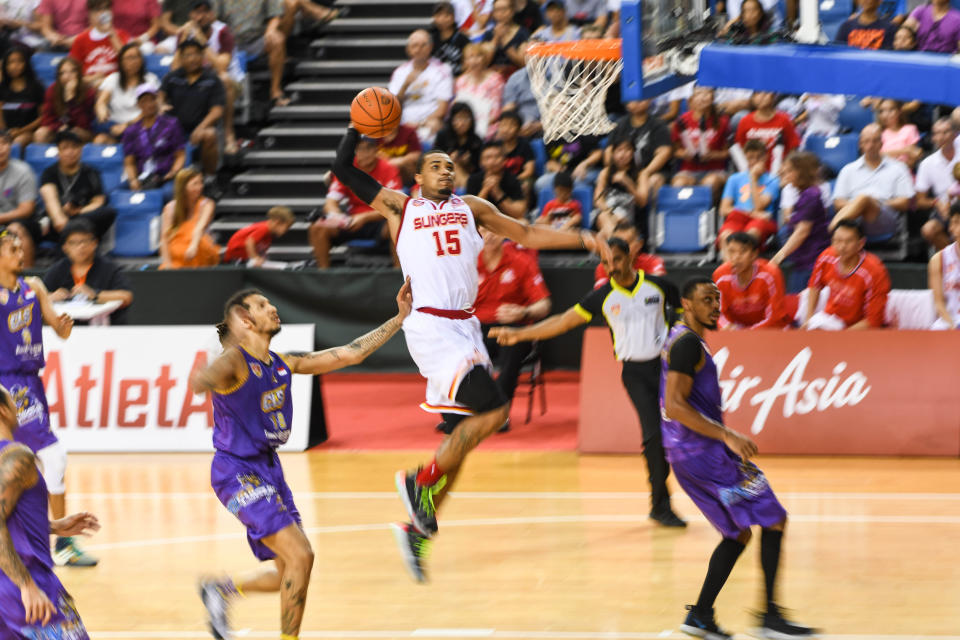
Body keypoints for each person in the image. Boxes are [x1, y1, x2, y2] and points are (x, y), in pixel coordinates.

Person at [330, 126, 608, 582]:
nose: (446, 171)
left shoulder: (472, 208)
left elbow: (527, 233)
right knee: (495, 412)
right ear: (417, 175)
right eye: (436, 165)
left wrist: (584, 238)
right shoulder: (400, 206)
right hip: (431, 324)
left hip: (466, 326)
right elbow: (343, 168)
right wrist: (356, 127)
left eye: (451, 167)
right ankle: (416, 482)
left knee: (466, 436)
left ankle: (417, 528)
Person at [193, 279, 413, 640]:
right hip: (237, 470)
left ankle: (220, 590)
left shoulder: (284, 363)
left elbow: (351, 353)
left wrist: (399, 318)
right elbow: (208, 378)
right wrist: (204, 376)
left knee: (289, 571)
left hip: (269, 469)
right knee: (302, 556)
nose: (273, 308)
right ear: (245, 320)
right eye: (263, 305)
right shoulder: (235, 361)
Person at [490, 237, 686, 528]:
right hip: (635, 373)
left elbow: (684, 319)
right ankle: (660, 505)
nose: (611, 267)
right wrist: (520, 335)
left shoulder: (660, 286)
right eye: (605, 262)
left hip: (667, 369)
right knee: (653, 436)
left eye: (617, 260)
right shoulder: (603, 296)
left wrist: (681, 342)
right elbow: (562, 321)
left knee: (687, 433)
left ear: (631, 256)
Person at [662, 276, 815, 640]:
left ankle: (700, 615)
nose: (715, 306)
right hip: (703, 454)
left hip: (685, 454)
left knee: (737, 532)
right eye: (705, 299)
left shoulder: (682, 339)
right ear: (686, 304)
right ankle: (770, 618)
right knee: (774, 518)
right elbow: (674, 405)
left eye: (717, 299)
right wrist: (727, 435)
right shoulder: (686, 345)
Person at [0, 228, 100, 569]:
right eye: (11, 248)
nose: (20, 251)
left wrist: (64, 326)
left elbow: (57, 327)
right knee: (51, 457)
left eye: (19, 246)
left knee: (37, 459)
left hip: (30, 383)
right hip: (6, 384)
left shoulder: (35, 286)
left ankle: (50, 540)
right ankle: (62, 543)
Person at [0, 384, 100, 638]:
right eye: (12, 400)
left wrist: (51, 526)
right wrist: (26, 585)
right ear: (3, 411)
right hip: (28, 588)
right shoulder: (16, 456)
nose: (18, 405)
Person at [474, 226, 551, 430]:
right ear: (477, 233)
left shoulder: (521, 261)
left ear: (504, 233)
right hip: (477, 328)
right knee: (454, 348)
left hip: (514, 328)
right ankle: (455, 413)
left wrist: (523, 312)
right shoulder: (467, 262)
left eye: (495, 230)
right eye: (484, 231)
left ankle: (499, 413)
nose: (490, 235)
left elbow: (544, 304)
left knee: (512, 348)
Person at [310, 137, 402, 268]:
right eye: (359, 148)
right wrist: (338, 217)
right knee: (317, 227)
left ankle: (399, 276)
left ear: (376, 149)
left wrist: (364, 217)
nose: (364, 153)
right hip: (352, 221)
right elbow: (330, 203)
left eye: (368, 148)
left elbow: (395, 205)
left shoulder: (388, 168)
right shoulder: (346, 169)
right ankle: (324, 276)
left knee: (397, 224)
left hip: (379, 220)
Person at [178, 0, 244, 154]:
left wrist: (202, 42)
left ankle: (229, 134)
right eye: (197, 12)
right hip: (198, 82)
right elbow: (174, 68)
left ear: (212, 14)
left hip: (229, 83)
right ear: (191, 15)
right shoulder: (185, 33)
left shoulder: (223, 32)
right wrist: (183, 40)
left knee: (223, 79)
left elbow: (221, 66)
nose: (202, 16)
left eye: (205, 11)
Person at [42, 217, 133, 324]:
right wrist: (51, 297)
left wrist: (95, 294)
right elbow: (36, 299)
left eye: (85, 241)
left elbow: (126, 296)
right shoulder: (58, 269)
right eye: (74, 243)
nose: (81, 247)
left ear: (94, 243)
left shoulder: (108, 267)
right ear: (65, 247)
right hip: (67, 329)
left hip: (105, 330)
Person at [830, 123, 914, 236]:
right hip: (854, 219)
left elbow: (904, 203)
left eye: (875, 141)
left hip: (885, 218)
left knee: (864, 198)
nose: (871, 145)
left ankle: (830, 230)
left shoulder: (898, 167)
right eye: (867, 141)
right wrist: (859, 206)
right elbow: (838, 203)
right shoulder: (848, 170)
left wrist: (876, 202)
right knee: (863, 199)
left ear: (881, 143)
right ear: (860, 144)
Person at [804, 220, 891, 330]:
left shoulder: (875, 271)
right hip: (829, 321)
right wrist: (809, 318)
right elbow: (814, 286)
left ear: (860, 244)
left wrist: (842, 337)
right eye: (838, 241)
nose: (842, 246)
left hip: (859, 330)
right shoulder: (826, 257)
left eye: (848, 241)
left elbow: (873, 321)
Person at [38, 130, 117, 249]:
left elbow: (98, 201)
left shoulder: (91, 172)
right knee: (38, 223)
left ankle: (74, 241)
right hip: (58, 220)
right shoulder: (49, 173)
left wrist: (79, 211)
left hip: (84, 218)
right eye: (65, 148)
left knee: (108, 212)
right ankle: (75, 243)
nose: (70, 152)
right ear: (58, 152)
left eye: (74, 147)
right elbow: (51, 202)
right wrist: (61, 214)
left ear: (80, 150)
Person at [159, 38, 225, 181]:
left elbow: (217, 111)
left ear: (202, 57)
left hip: (200, 128)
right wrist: (161, 105)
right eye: (188, 55)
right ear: (181, 58)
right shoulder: (171, 78)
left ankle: (210, 179)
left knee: (210, 134)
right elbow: (160, 97)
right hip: (175, 130)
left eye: (196, 54)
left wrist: (201, 127)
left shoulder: (212, 80)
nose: (192, 58)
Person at [771, 151, 831, 293]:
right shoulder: (805, 194)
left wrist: (776, 259)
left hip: (813, 262)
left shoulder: (811, 195)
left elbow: (801, 232)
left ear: (800, 172)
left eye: (789, 170)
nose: (783, 172)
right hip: (803, 262)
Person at [215, 0, 292, 107]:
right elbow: (213, 17)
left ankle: (275, 92)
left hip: (257, 38)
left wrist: (271, 30)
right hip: (230, 40)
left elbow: (276, 14)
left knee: (277, 39)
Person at [389, 29, 454, 146]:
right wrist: (405, 86)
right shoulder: (400, 72)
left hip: (429, 122)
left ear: (430, 47)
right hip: (404, 123)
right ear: (408, 50)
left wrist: (419, 124)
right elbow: (393, 106)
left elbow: (442, 109)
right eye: (415, 46)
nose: (419, 49)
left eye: (423, 45)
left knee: (433, 128)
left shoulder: (442, 70)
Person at [713, 232, 790, 329]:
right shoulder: (720, 275)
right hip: (736, 333)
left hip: (771, 332)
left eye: (743, 251)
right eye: (731, 251)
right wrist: (728, 327)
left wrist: (748, 333)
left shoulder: (771, 274)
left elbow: (775, 316)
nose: (736, 257)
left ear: (754, 254)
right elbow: (720, 313)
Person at [121, 83, 186, 193]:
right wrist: (133, 180)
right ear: (138, 105)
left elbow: (180, 155)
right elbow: (129, 162)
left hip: (165, 176)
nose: (149, 104)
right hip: (142, 177)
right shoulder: (131, 131)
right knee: (120, 194)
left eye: (152, 99)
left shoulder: (171, 124)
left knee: (169, 193)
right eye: (144, 101)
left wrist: (173, 172)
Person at [607, 99, 673, 203]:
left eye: (642, 99)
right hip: (625, 169)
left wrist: (646, 172)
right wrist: (614, 169)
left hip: (652, 171)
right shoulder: (620, 124)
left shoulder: (658, 124)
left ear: (649, 100)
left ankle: (651, 216)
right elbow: (609, 150)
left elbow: (664, 152)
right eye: (634, 100)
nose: (638, 102)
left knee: (653, 181)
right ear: (627, 103)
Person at [718, 138, 780, 248]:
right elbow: (724, 209)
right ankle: (729, 265)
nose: (754, 161)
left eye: (759, 157)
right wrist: (750, 213)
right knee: (725, 237)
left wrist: (753, 177)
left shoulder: (773, 180)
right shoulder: (734, 179)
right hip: (738, 217)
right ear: (745, 158)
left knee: (750, 236)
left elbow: (759, 206)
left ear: (765, 157)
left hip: (761, 220)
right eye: (751, 158)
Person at [670, 86, 730, 199]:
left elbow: (728, 152)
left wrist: (713, 155)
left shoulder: (722, 121)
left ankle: (707, 215)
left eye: (706, 93)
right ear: (691, 99)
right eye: (698, 94)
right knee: (679, 184)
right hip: (688, 170)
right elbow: (675, 150)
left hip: (715, 170)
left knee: (709, 184)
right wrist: (684, 154)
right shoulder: (682, 120)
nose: (702, 97)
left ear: (713, 98)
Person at [94, 43, 160, 143]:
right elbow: (101, 101)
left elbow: (152, 108)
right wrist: (101, 110)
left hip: (139, 123)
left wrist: (126, 126)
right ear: (121, 62)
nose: (133, 61)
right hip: (114, 124)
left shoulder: (150, 79)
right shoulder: (113, 78)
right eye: (129, 58)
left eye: (136, 57)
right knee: (99, 135)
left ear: (141, 60)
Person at [159, 167, 219, 269]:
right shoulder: (170, 208)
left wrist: (193, 245)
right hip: (176, 256)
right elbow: (164, 239)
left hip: (199, 251)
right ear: (183, 187)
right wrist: (167, 263)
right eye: (195, 184)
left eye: (201, 182)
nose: (200, 187)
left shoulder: (207, 204)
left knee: (202, 243)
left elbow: (200, 228)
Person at [35, 57, 96, 144]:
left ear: (79, 73)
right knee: (40, 133)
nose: (68, 76)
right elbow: (46, 120)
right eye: (63, 73)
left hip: (82, 131)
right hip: (58, 128)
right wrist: (58, 127)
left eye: (73, 71)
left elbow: (84, 124)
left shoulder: (88, 91)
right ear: (58, 76)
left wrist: (71, 99)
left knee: (76, 131)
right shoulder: (52, 90)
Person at [918, 118, 958, 251]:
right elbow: (920, 200)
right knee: (929, 229)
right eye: (937, 133)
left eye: (945, 132)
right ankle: (954, 259)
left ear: (954, 134)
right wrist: (936, 203)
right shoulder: (927, 163)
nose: (941, 137)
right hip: (944, 209)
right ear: (933, 137)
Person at [593, 138, 647, 236]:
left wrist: (628, 183)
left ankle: (607, 246)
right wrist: (612, 212)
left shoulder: (641, 174)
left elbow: (642, 202)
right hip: (607, 211)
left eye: (627, 150)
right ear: (613, 153)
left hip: (629, 216)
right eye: (619, 150)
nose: (622, 154)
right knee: (603, 217)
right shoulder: (606, 172)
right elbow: (598, 199)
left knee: (605, 227)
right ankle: (615, 246)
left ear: (633, 153)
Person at [68, 0, 130, 85]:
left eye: (106, 9)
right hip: (90, 86)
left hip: (116, 85)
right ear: (90, 15)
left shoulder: (121, 35)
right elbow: (71, 73)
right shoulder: (80, 40)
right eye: (97, 10)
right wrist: (93, 78)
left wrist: (111, 33)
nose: (102, 13)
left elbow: (128, 62)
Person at [735, 91, 800, 171]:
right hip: (751, 171)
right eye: (757, 93)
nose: (761, 97)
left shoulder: (785, 120)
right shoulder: (744, 121)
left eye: (766, 93)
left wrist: (785, 168)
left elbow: (793, 148)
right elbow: (741, 149)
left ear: (773, 96)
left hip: (778, 171)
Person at [0, 130, 37, 268]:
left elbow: (26, 209)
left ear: (10, 146)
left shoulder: (23, 170)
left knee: (14, 230)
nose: (0, 148)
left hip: (22, 221)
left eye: (4, 143)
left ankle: (25, 281)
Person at [592, 220, 665, 288]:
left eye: (626, 243)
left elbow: (659, 284)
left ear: (639, 244)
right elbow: (602, 294)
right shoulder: (603, 267)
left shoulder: (653, 262)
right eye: (617, 243)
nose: (620, 248)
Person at [455, 43, 504, 139]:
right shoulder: (461, 81)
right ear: (465, 62)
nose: (474, 61)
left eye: (478, 56)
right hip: (465, 125)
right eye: (470, 57)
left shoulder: (495, 79)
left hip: (489, 124)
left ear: (484, 59)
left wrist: (478, 125)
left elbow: (496, 112)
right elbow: (458, 109)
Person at [466, 141, 527, 219]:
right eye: (488, 157)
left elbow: (519, 213)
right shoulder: (473, 179)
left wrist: (497, 193)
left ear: (505, 160)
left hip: (506, 220)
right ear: (481, 162)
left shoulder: (512, 179)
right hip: (481, 220)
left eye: (497, 157)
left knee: (523, 221)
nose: (493, 161)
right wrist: (486, 189)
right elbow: (470, 212)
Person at [0, 47, 46, 147]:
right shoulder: (2, 88)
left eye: (19, 61)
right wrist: (5, 133)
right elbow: (0, 115)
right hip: (7, 132)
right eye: (10, 62)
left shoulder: (36, 86)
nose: (14, 66)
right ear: (5, 66)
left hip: (29, 131)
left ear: (26, 63)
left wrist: (21, 131)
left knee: (17, 142)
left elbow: (42, 117)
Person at [433, 102, 484, 189]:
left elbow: (479, 169)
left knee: (457, 167)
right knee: (454, 164)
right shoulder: (443, 136)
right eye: (458, 119)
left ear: (471, 121)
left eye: (466, 119)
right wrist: (447, 160)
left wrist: (467, 164)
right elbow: (433, 158)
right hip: (442, 174)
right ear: (451, 120)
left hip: (468, 176)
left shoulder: (476, 141)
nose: (461, 123)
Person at [224, 206, 295, 266]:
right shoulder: (263, 228)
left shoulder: (269, 234)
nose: (286, 231)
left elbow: (261, 250)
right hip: (236, 258)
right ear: (277, 222)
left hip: (244, 258)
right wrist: (255, 258)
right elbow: (249, 242)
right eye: (287, 227)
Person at [928, 206, 960, 329]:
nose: (952, 227)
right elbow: (939, 303)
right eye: (952, 222)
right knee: (937, 329)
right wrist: (952, 326)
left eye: (957, 222)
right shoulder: (938, 260)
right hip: (948, 321)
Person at [877, 98, 921, 170]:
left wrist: (886, 154)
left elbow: (912, 161)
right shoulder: (878, 132)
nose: (885, 114)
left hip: (904, 174)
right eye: (882, 111)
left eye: (891, 110)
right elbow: (876, 156)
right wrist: (905, 150)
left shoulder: (910, 129)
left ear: (899, 111)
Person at [430, 1, 470, 76]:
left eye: (447, 15)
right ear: (434, 18)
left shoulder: (462, 38)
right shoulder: (430, 38)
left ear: (453, 17)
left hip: (458, 78)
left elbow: (469, 62)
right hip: (436, 80)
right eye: (439, 15)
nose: (443, 19)